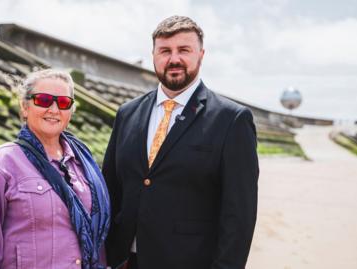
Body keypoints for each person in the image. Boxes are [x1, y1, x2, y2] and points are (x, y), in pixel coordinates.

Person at [103, 16, 259, 269]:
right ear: (153, 55)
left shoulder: (232, 120)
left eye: (184, 50)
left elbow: (239, 215)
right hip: (123, 261)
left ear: (201, 54)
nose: (174, 59)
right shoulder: (127, 113)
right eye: (165, 51)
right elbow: (110, 189)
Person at [0, 69, 110, 269]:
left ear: (70, 111)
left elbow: (98, 238)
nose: (53, 109)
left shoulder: (83, 164)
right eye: (43, 100)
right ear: (25, 107)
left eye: (63, 103)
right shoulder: (1, 163)